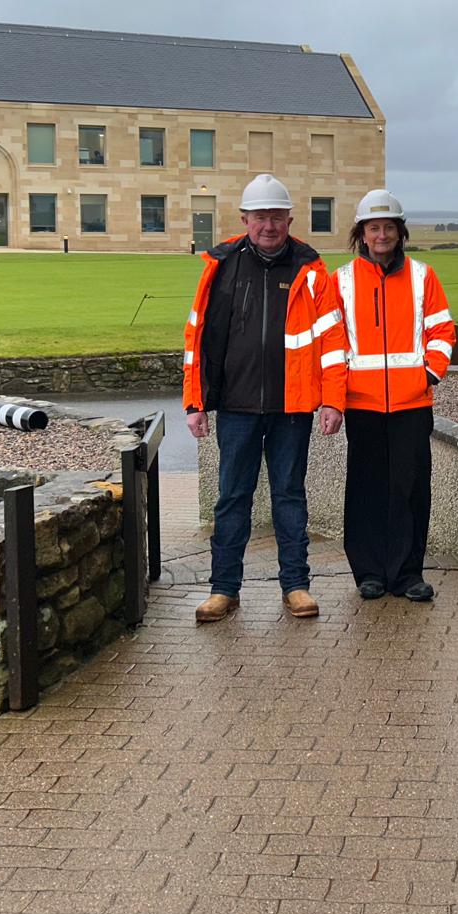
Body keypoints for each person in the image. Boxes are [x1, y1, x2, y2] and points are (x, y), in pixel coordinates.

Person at [182, 173, 348, 624]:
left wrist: (333, 400)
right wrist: (195, 403)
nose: (268, 225)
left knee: (289, 497)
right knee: (231, 498)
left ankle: (296, 586)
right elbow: (197, 339)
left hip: (291, 408)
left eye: (276, 217)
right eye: (260, 217)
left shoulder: (310, 270)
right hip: (236, 407)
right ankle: (223, 589)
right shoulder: (221, 267)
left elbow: (332, 342)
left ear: (289, 220)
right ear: (245, 220)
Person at [333, 189, 455, 601]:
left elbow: (442, 331)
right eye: (374, 228)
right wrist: (336, 393)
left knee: (411, 489)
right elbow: (332, 342)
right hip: (361, 404)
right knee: (366, 489)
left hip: (412, 403)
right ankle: (369, 572)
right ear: (362, 234)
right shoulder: (341, 280)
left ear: (400, 232)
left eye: (388, 227)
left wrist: (429, 374)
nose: (381, 235)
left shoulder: (423, 276)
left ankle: (407, 574)